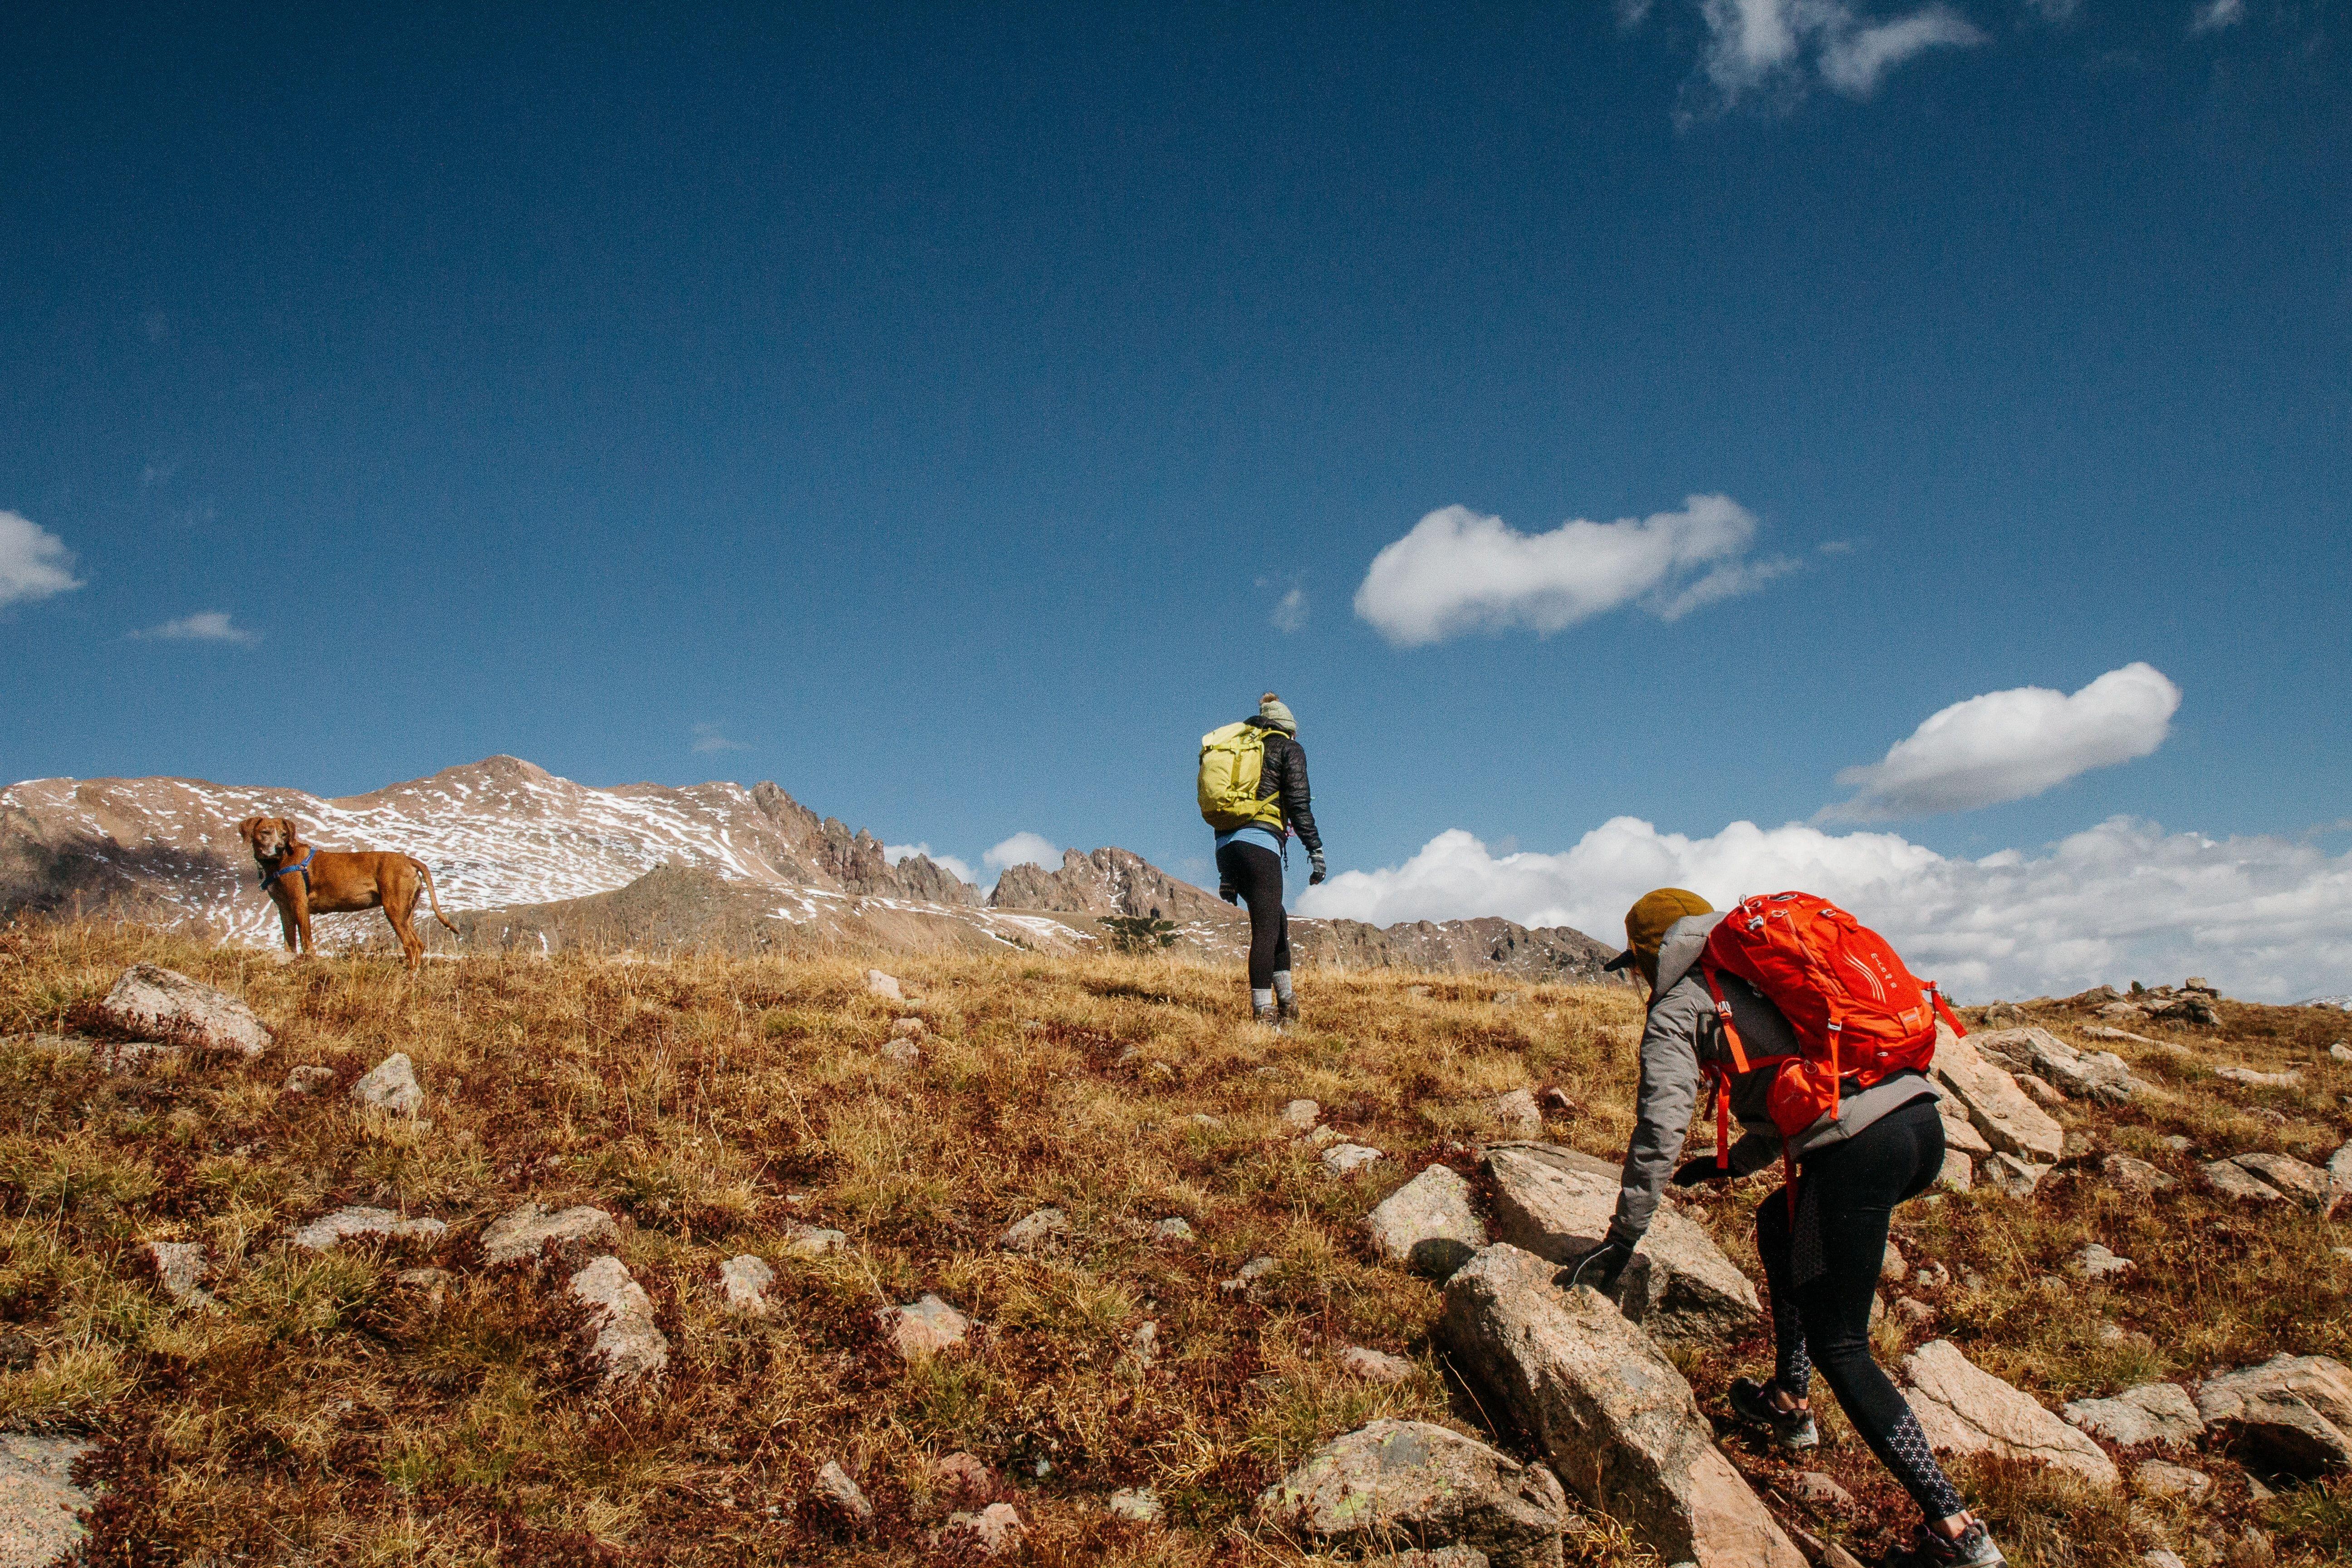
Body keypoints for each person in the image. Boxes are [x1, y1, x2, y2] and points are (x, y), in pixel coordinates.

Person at [1573, 888, 2004, 1568]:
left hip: (1858, 1148)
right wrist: (1727, 1165)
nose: (1636, 978)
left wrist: (1622, 1237)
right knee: (1781, 1221)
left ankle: (1958, 1533)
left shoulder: (1678, 1006)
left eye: (1636, 964)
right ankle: (1788, 1400)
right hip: (1919, 1125)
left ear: (1652, 954)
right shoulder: (1755, 971)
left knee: (1846, 1347)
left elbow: (1659, 1125)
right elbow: (1794, 1091)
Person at [1213, 692, 1325, 1026]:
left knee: (1277, 920)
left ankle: (1288, 1003)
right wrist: (1315, 850)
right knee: (1265, 929)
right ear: (1288, 728)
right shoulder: (1288, 749)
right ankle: (1264, 1015)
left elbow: (1225, 805)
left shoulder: (1241, 750)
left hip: (1226, 846)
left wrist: (1227, 873)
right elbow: (1300, 804)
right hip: (1259, 845)